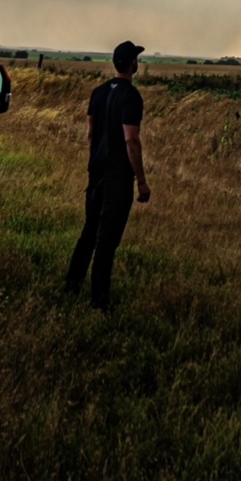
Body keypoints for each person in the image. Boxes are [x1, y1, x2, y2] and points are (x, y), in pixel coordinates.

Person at [64, 39, 151, 310]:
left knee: (89, 232)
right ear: (131, 64)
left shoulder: (98, 92)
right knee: (107, 240)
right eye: (136, 58)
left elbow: (91, 134)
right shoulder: (131, 97)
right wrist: (142, 181)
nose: (139, 62)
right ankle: (99, 301)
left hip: (96, 173)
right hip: (117, 177)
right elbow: (131, 141)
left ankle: (71, 286)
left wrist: (95, 163)